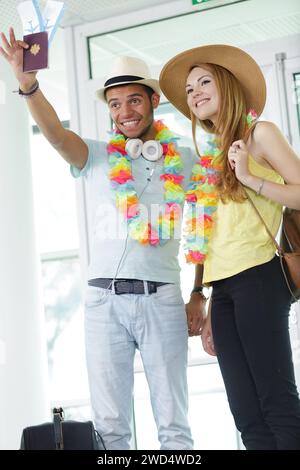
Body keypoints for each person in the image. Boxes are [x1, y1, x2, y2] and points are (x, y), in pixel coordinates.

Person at [0, 28, 207, 450]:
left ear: (152, 101)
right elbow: (56, 133)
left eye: (133, 100)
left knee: (174, 425)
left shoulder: (185, 160)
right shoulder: (95, 156)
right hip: (102, 303)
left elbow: (205, 228)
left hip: (162, 298)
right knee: (110, 430)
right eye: (115, 104)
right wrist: (28, 85)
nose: (125, 111)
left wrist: (199, 293)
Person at [159, 44, 300, 450]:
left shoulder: (259, 135)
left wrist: (252, 178)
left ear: (228, 86)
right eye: (189, 89)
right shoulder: (210, 157)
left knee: (277, 405)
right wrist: (200, 293)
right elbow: (208, 235)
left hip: (259, 276)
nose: (195, 92)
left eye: (204, 81)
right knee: (246, 415)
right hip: (222, 291)